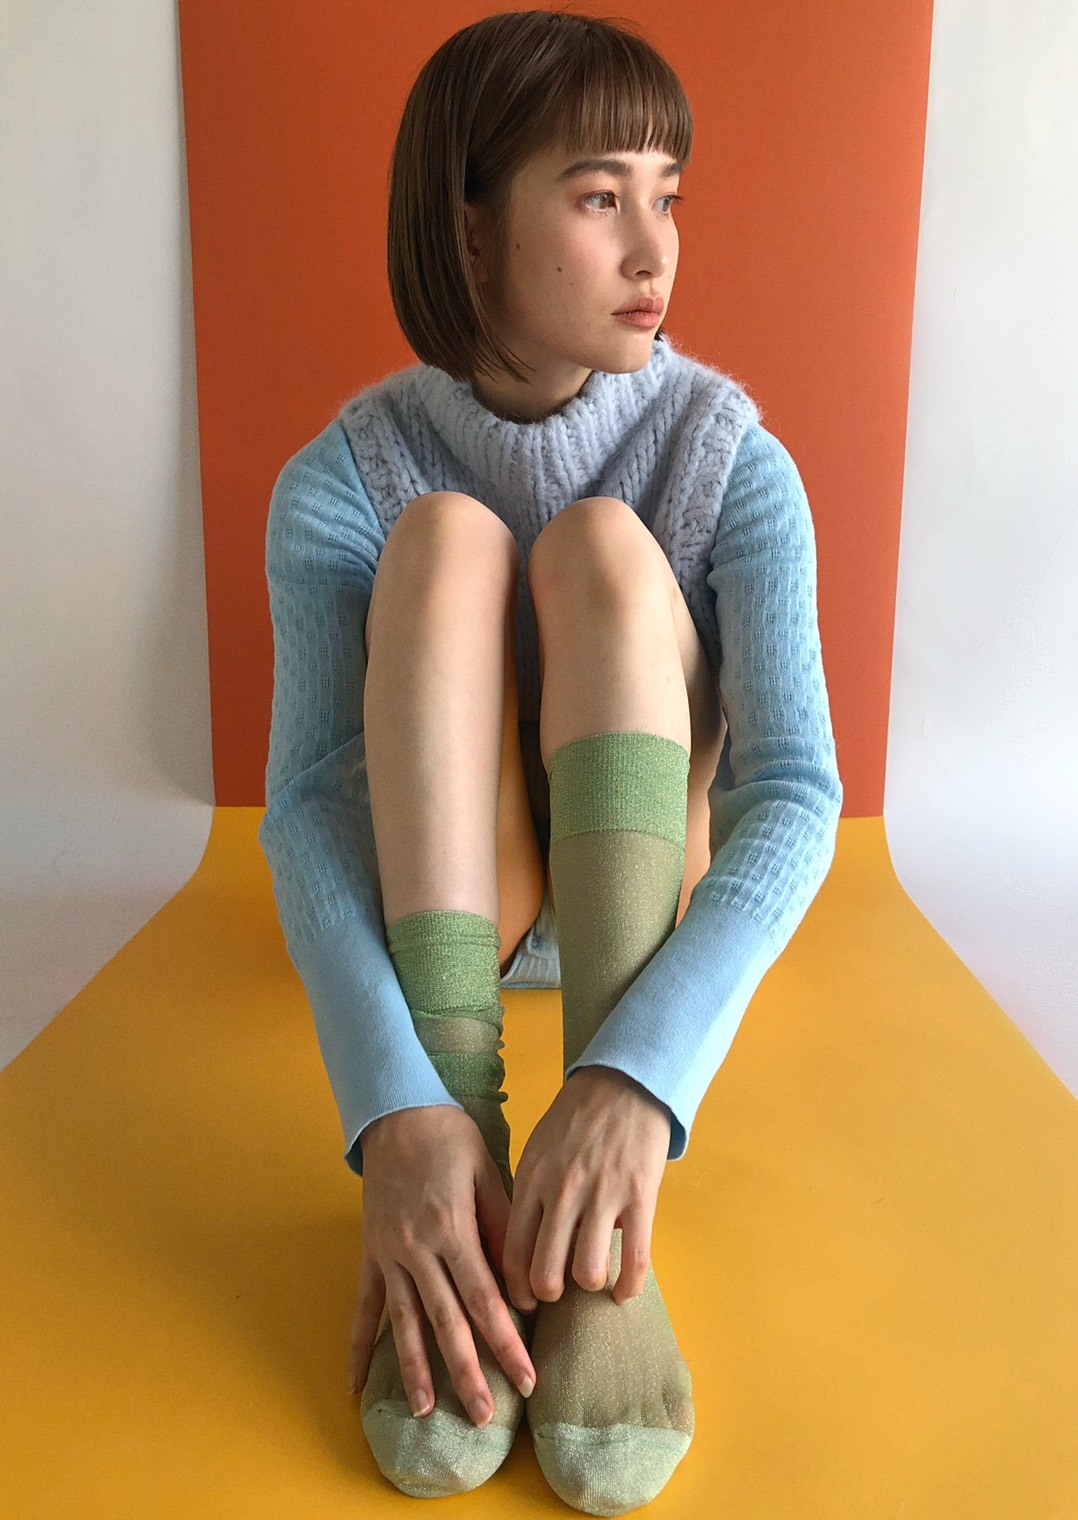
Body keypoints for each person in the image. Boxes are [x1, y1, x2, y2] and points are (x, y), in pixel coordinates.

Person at [258, 9, 843, 1513]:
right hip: (438, 935)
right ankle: (458, 1179)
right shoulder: (340, 481)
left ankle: (595, 1250)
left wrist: (641, 1079)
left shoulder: (731, 457)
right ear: (470, 229)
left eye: (668, 196)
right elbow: (310, 807)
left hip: (639, 945)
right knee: (443, 542)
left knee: (601, 546)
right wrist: (396, 1113)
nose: (655, 249)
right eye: (598, 197)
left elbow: (794, 794)